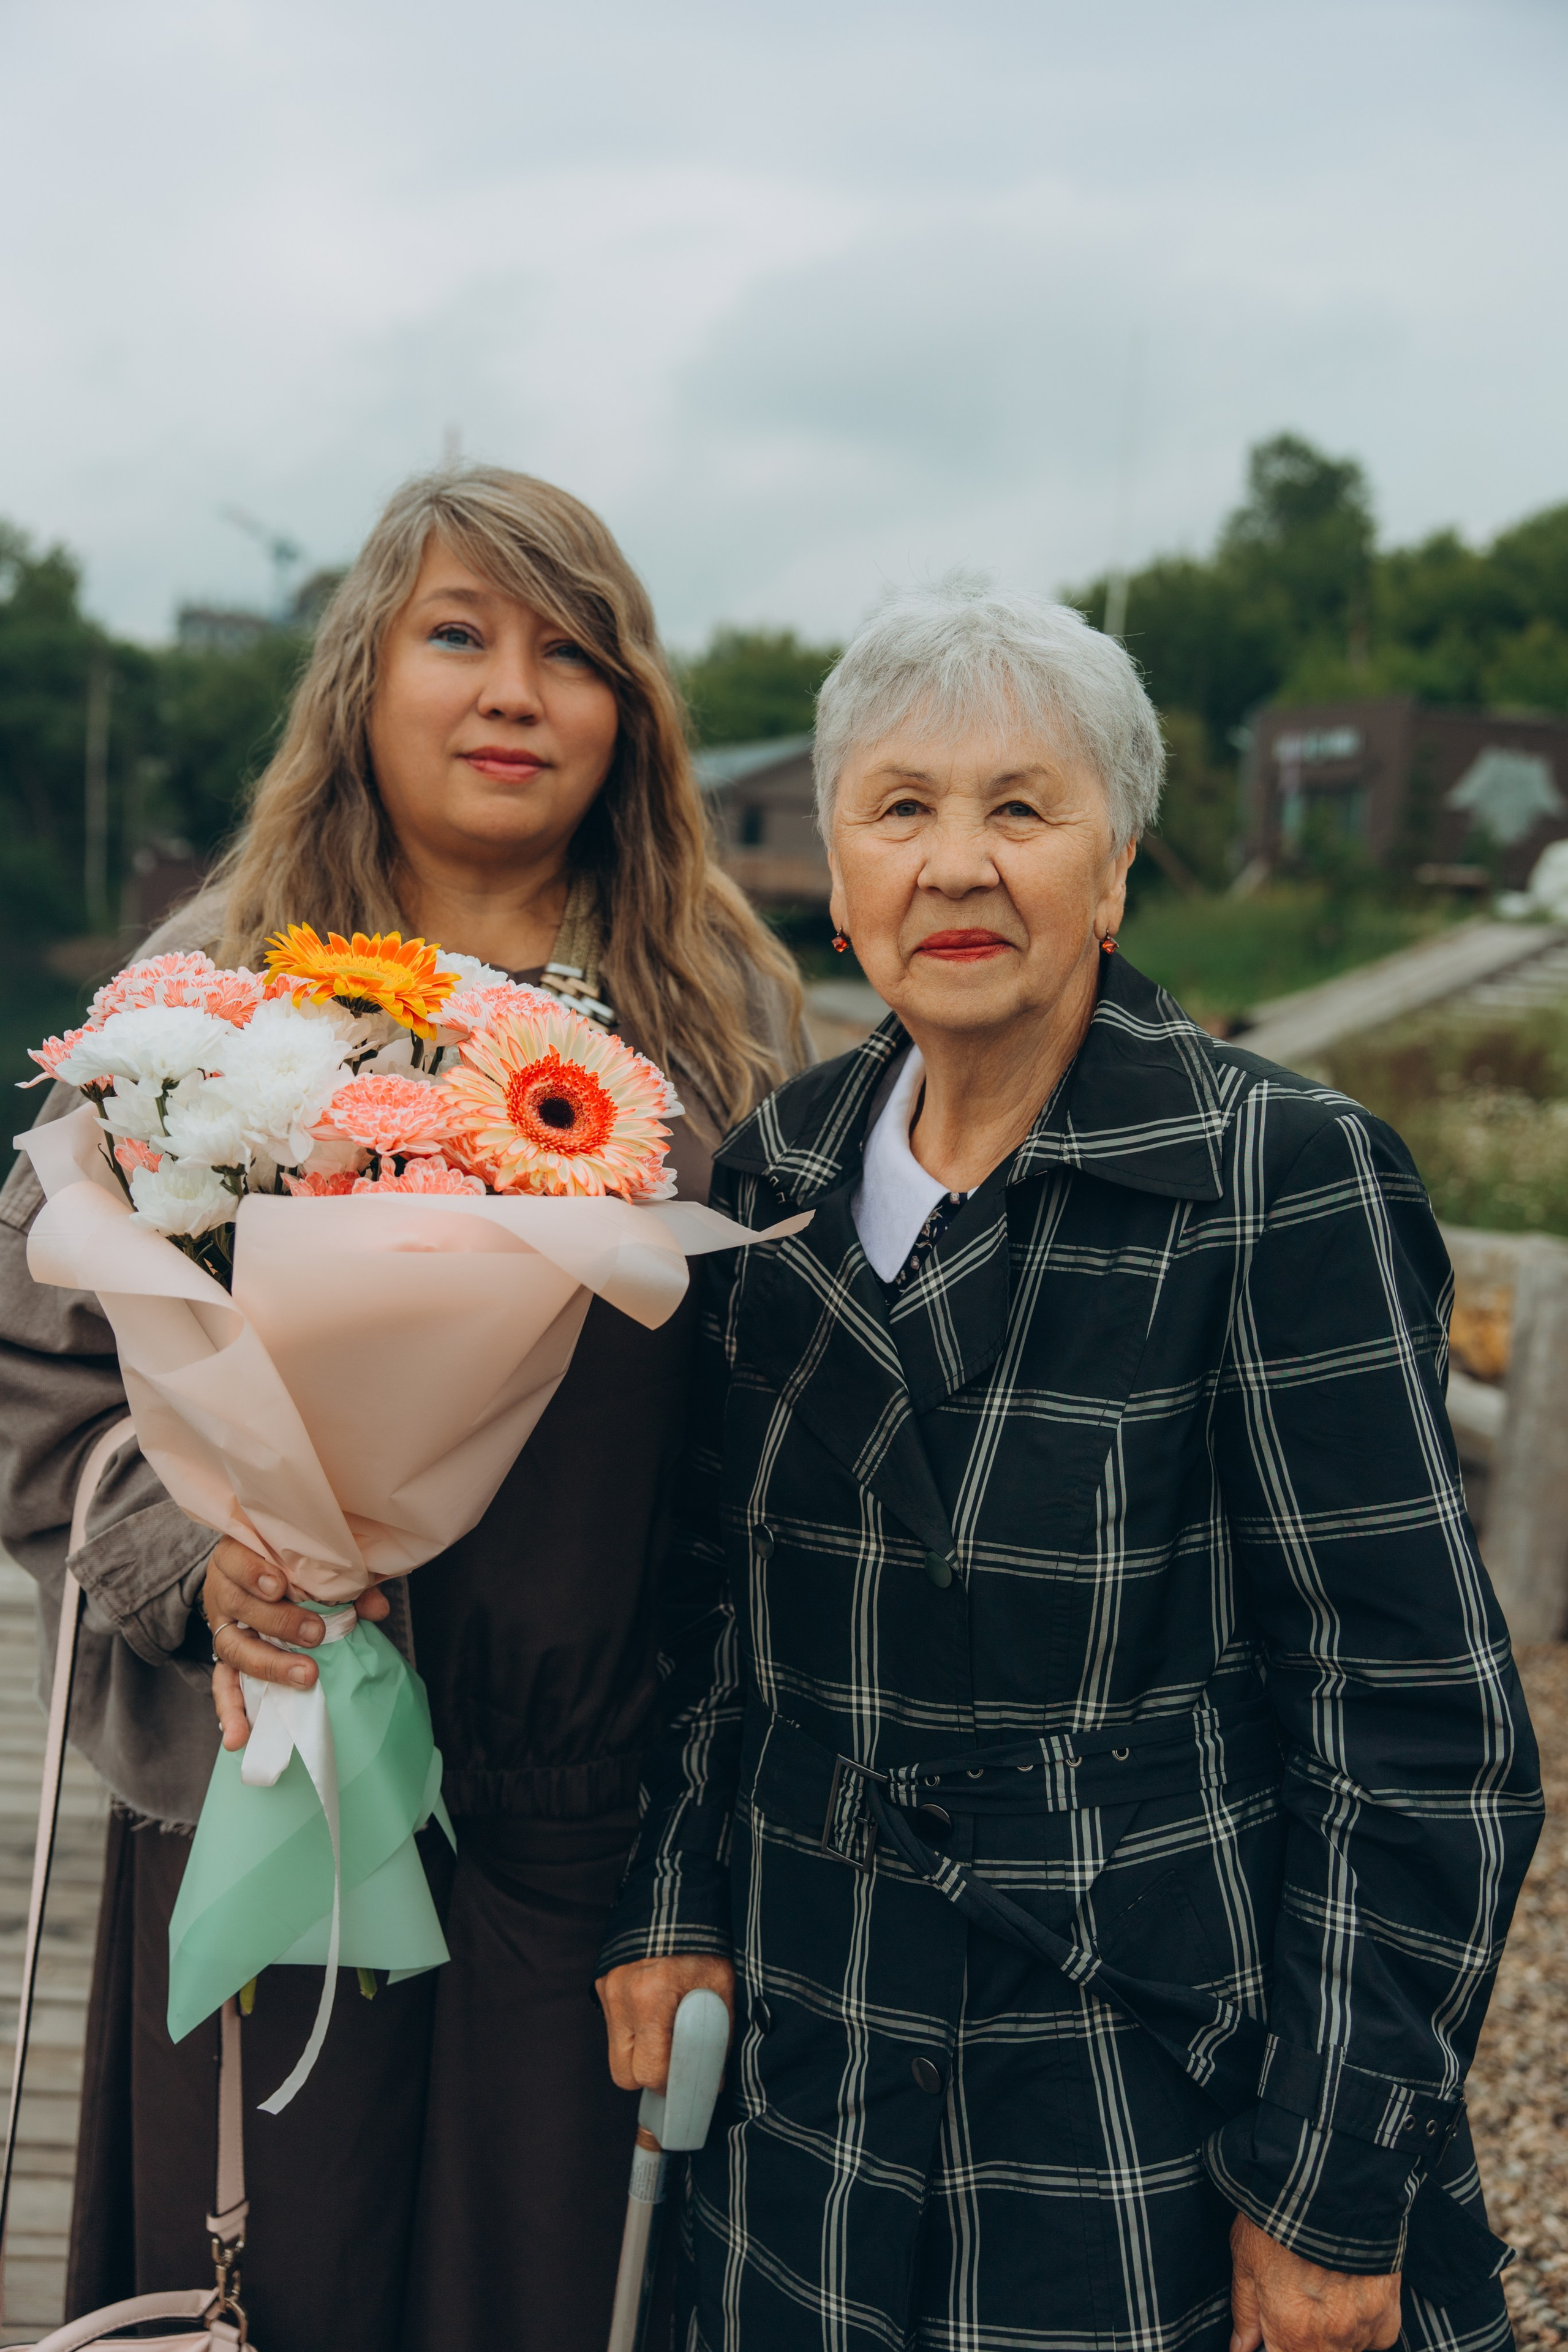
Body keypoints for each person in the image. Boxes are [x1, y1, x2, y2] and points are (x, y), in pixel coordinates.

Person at [596, 578, 1544, 2352]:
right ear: (840, 868)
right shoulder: (770, 1177)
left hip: (1136, 2075)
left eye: (1023, 810)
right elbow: (708, 1620)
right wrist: (670, 1906)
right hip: (811, 2057)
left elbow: (1415, 1722)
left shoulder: (1278, 1178)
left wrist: (1333, 2190)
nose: (958, 867)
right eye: (902, 809)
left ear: (1113, 873)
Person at [0, 465, 807, 2352]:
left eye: (572, 652)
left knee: (545, 2287)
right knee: (264, 2281)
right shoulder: (201, 1006)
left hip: (581, 1817)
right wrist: (185, 1563)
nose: (515, 691)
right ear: (368, 678)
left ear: (632, 716)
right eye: (461, 636)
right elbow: (39, 1362)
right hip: (280, 1764)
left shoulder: (726, 1041)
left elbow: (772, 1464)